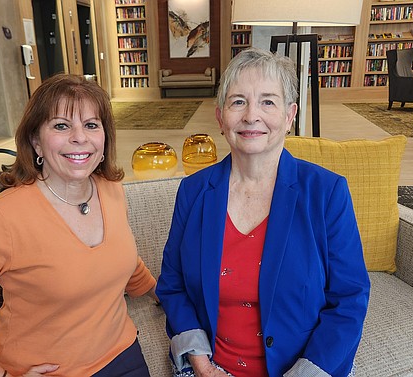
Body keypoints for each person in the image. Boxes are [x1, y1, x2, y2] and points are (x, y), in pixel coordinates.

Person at [0, 74, 158, 377]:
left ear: (104, 138)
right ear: (35, 141)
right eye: (61, 125)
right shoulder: (1, 218)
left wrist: (160, 294)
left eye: (91, 125)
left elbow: (122, 258)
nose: (80, 137)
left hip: (123, 355)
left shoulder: (111, 189)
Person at [156, 48, 370, 377]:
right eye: (238, 101)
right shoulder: (194, 191)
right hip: (210, 367)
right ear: (220, 116)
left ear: (289, 115)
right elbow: (172, 285)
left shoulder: (327, 193)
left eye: (268, 101)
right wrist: (201, 364)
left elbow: (350, 298)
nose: (251, 115)